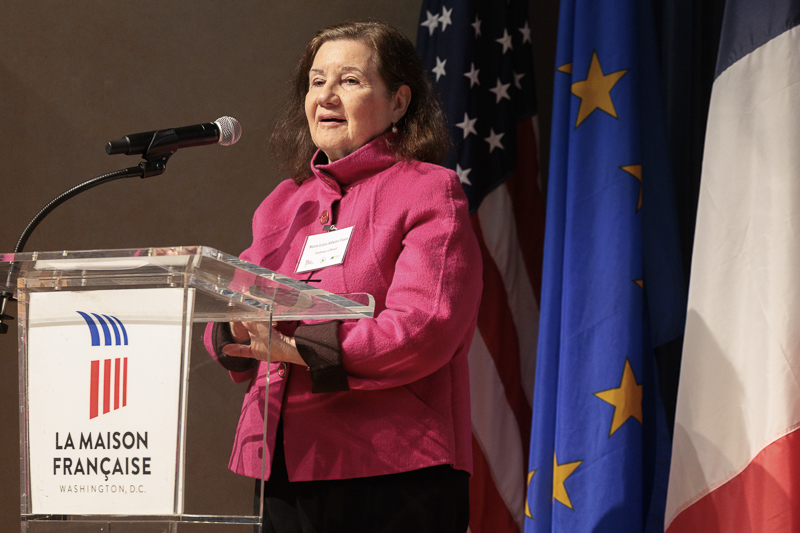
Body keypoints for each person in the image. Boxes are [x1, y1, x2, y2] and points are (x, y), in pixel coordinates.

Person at [204, 20, 482, 533]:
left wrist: (297, 346)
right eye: (316, 81)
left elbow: (424, 328)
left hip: (392, 468)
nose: (326, 95)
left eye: (349, 80)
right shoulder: (284, 203)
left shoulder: (430, 192)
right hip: (284, 461)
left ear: (399, 102)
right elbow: (231, 303)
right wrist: (235, 327)